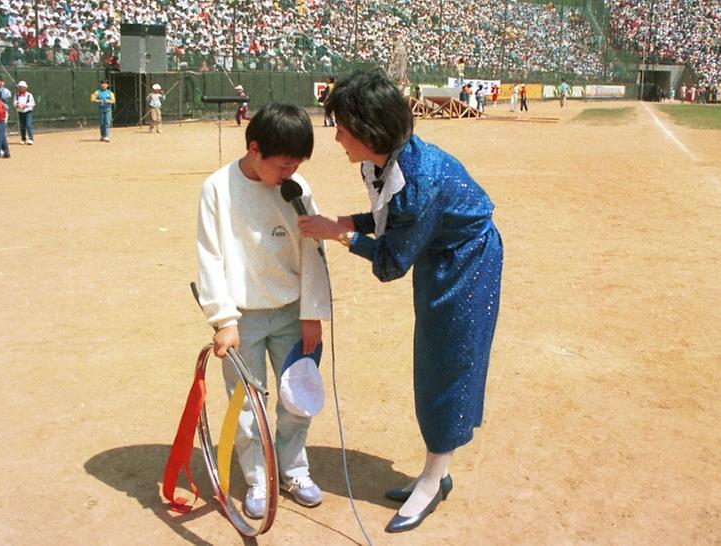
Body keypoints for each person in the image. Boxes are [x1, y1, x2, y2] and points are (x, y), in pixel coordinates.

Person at [298, 71, 503, 533]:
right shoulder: (387, 161)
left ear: (370, 132)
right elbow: (390, 217)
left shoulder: (418, 179)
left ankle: (434, 478)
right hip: (441, 253)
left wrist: (342, 235)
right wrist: (341, 221)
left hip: (466, 260)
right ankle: (436, 470)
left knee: (446, 363)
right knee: (433, 358)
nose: (336, 137)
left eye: (343, 128)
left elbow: (391, 263)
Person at [197, 103, 331, 520]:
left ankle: (294, 470)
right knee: (246, 405)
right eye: (283, 164)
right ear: (255, 148)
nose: (289, 172)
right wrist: (224, 320)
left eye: (297, 164)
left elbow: (313, 252)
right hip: (243, 319)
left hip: (293, 314)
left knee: (297, 399)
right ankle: (258, 479)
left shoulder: (297, 189)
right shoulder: (218, 189)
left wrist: (311, 313)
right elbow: (210, 256)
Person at [14, 80, 35, 145]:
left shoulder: (29, 95)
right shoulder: (16, 95)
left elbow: (32, 103)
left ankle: (31, 138)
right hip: (20, 112)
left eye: (22, 87)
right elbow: (14, 102)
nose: (21, 88)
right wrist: (18, 105)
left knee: (28, 125)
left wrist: (25, 105)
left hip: (28, 112)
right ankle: (23, 139)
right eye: (20, 87)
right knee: (22, 126)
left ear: (25, 88)